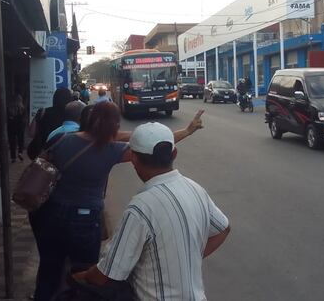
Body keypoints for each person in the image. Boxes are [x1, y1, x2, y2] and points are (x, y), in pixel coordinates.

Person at [28, 102, 205, 301]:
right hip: (85, 221)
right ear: (113, 126)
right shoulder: (111, 150)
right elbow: (153, 148)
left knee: (49, 269)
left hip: (52, 214)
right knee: (83, 274)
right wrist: (187, 131)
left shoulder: (65, 141)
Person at [73, 121, 231, 300]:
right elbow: (223, 229)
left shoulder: (141, 208)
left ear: (133, 158)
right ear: (174, 153)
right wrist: (188, 258)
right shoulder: (195, 189)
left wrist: (79, 277)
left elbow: (106, 274)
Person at [26, 88, 74, 160]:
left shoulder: (43, 112)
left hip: (43, 153)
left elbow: (31, 133)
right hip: (63, 154)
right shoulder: (71, 114)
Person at [8, 93, 26, 163]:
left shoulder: (10, 108)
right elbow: (24, 118)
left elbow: (8, 117)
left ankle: (13, 157)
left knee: (12, 142)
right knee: (20, 140)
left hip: (11, 127)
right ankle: (20, 152)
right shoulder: (22, 108)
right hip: (20, 126)